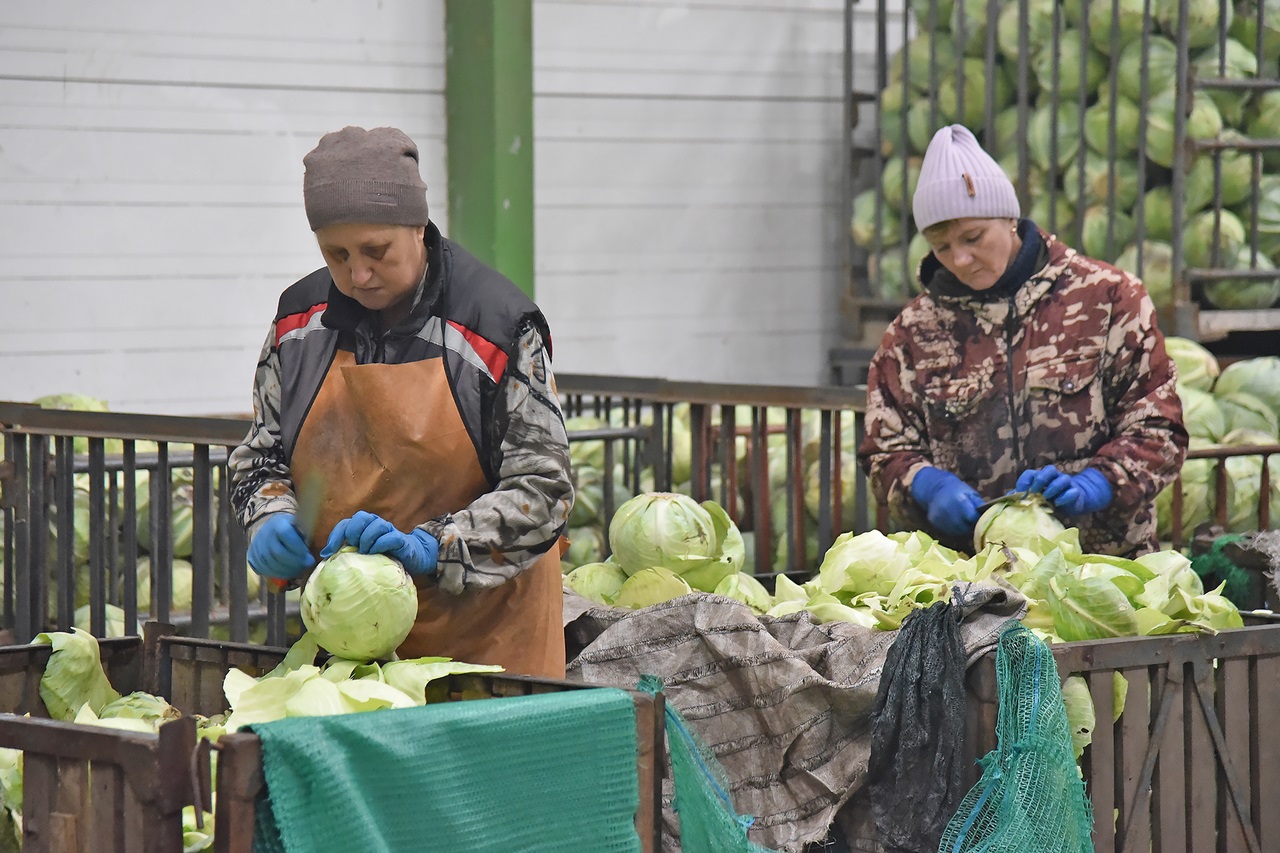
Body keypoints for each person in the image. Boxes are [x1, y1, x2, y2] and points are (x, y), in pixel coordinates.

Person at [228, 126, 573, 677]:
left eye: (376, 251)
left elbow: (543, 491)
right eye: (336, 254)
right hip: (351, 652)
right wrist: (269, 514)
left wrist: (433, 547)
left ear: (418, 227)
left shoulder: (496, 328)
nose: (358, 274)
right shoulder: (298, 324)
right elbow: (262, 456)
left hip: (487, 656)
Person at [857, 125, 1187, 557]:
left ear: (1009, 218)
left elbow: (1159, 428)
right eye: (941, 247)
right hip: (975, 577)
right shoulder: (913, 333)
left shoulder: (1108, 299)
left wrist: (1098, 483)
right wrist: (923, 484)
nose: (960, 259)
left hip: (1104, 569)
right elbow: (885, 451)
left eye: (973, 237)